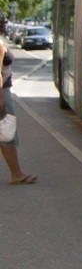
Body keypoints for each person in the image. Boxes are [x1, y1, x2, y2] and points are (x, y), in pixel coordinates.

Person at [0, 17, 37, 184]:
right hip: (2, 92)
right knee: (7, 134)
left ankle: (16, 173)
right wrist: (1, 98)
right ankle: (16, 174)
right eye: (4, 22)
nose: (6, 25)